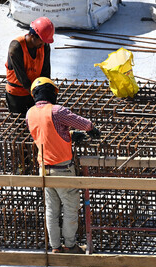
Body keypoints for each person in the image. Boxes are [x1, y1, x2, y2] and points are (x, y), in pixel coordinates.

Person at [25, 77, 101, 254]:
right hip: (63, 170)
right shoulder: (57, 110)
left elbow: (47, 134)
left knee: (51, 210)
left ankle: (55, 247)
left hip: (44, 169)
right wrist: (91, 129)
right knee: (70, 209)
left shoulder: (30, 114)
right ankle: (69, 245)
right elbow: (83, 123)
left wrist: (69, 135)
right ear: (52, 93)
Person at [5, 17, 54, 115]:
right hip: (17, 94)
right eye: (41, 40)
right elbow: (22, 78)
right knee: (19, 125)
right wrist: (38, 97)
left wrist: (45, 93)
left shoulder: (44, 47)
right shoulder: (16, 47)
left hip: (34, 92)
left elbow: (46, 72)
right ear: (32, 35)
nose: (43, 43)